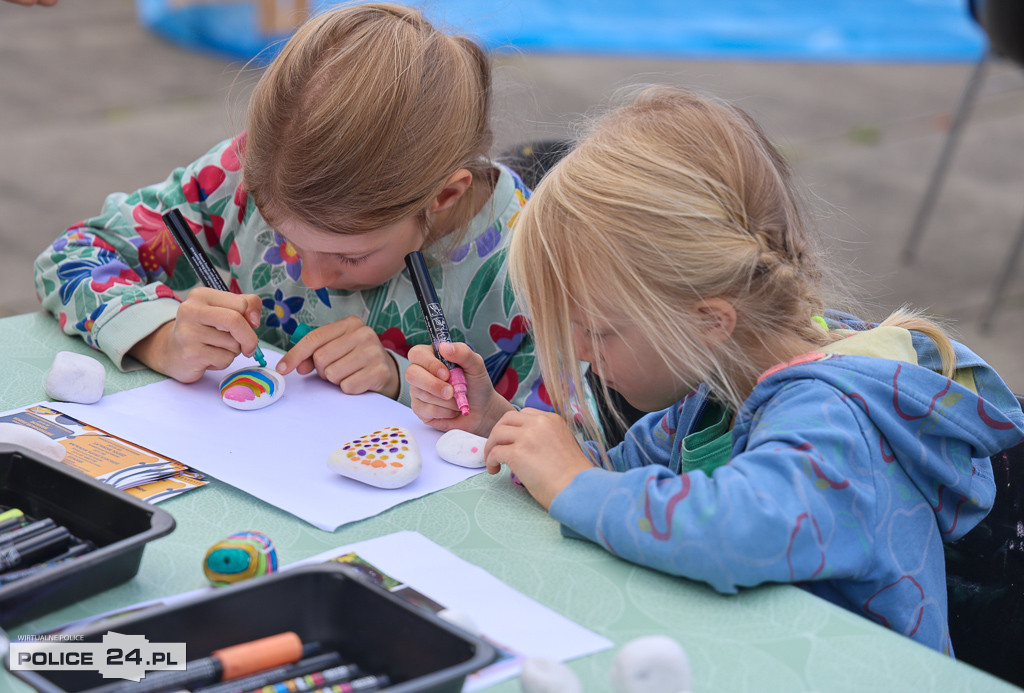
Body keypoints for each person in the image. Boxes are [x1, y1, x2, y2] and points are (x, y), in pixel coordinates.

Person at [406, 85, 1024, 654]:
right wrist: (501, 424)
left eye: (597, 330)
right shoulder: (717, 388)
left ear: (709, 319)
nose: (584, 354)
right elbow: (617, 476)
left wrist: (572, 486)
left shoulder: (836, 419)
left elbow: (731, 529)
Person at [33, 3, 547, 410]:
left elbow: (566, 446)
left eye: (349, 257)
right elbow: (74, 255)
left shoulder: (533, 265)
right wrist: (160, 336)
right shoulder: (238, 177)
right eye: (284, 237)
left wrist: (401, 386)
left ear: (444, 196)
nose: (314, 277)